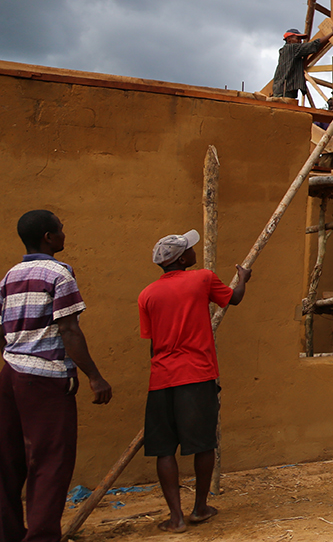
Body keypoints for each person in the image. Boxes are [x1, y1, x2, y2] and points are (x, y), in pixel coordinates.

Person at [1, 210, 112, 542]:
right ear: (48, 237)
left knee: (8, 461)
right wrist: (94, 375)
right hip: (45, 377)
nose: (64, 234)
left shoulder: (10, 276)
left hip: (11, 374)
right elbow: (69, 329)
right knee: (51, 462)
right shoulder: (59, 274)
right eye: (60, 230)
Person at [139, 229, 251, 533]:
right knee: (203, 444)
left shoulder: (147, 294)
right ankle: (200, 508)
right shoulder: (202, 278)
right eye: (189, 248)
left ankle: (175, 518)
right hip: (196, 375)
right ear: (182, 258)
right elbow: (234, 299)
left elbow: (153, 344)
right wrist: (243, 277)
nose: (193, 250)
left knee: (164, 449)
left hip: (161, 378)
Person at [271, 27, 333, 102]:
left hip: (285, 90)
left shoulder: (290, 52)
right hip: (284, 91)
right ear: (289, 39)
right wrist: (332, 33)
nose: (300, 41)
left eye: (300, 39)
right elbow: (314, 45)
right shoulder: (291, 48)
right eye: (297, 38)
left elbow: (302, 64)